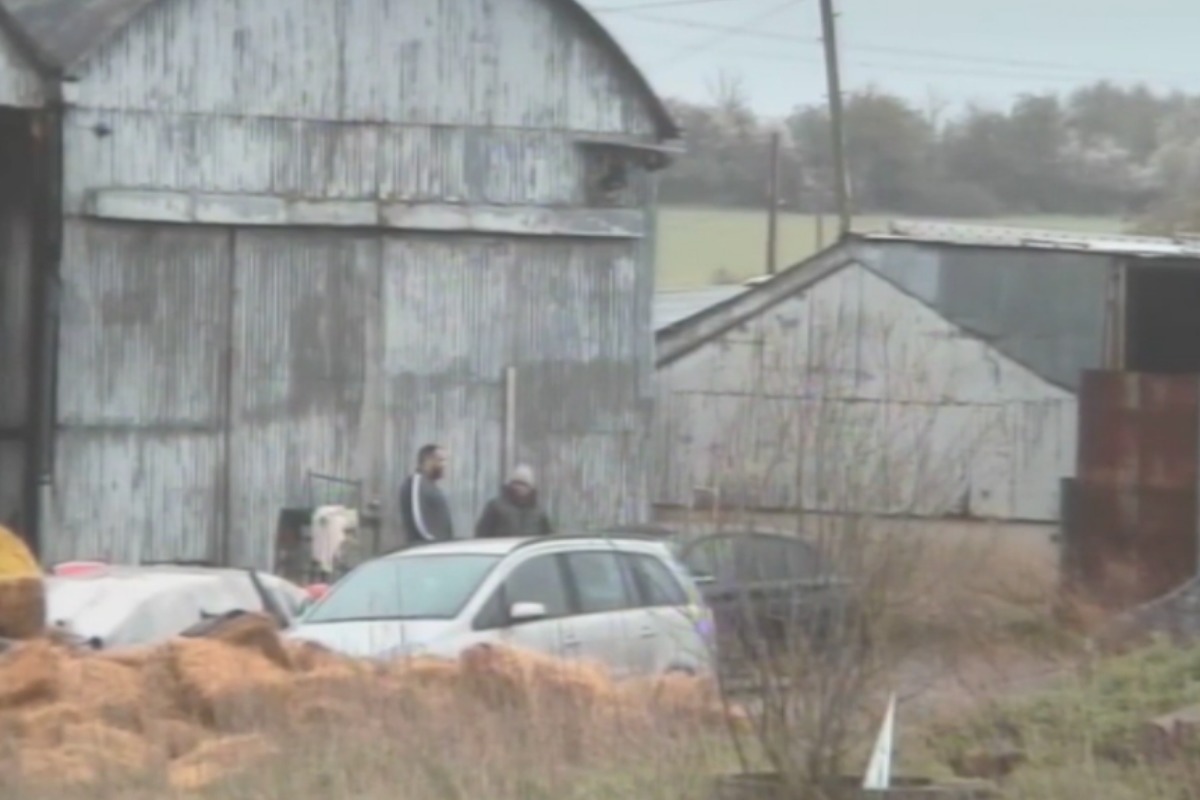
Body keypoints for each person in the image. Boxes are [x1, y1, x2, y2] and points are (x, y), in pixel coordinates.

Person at [475, 465, 554, 539]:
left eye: (523, 484)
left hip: (529, 552)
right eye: (516, 483)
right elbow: (482, 534)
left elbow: (548, 538)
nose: (519, 487)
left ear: (531, 488)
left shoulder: (538, 513)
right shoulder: (496, 507)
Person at [398, 444, 454, 545]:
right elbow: (417, 519)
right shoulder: (416, 483)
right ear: (428, 460)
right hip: (427, 550)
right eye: (441, 460)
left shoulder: (430, 485)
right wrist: (432, 542)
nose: (444, 465)